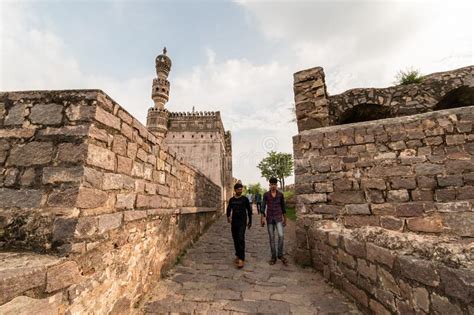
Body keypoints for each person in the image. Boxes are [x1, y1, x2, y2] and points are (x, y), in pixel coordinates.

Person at [260, 177, 288, 265]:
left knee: (281, 235)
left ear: (277, 185)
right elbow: (263, 207)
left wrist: (285, 219)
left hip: (279, 218)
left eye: (275, 184)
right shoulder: (266, 195)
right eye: (272, 184)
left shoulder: (280, 195)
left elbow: (283, 207)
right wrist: (262, 218)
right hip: (270, 219)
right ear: (269, 185)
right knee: (271, 238)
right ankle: (273, 257)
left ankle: (280, 254)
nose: (273, 186)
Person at [226, 183, 252, 268]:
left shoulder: (245, 199)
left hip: (242, 222)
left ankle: (241, 259)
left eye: (241, 189)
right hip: (234, 223)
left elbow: (249, 210)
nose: (240, 190)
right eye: (238, 189)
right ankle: (237, 254)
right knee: (235, 239)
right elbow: (229, 209)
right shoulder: (232, 200)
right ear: (235, 190)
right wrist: (228, 216)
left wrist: (250, 221)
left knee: (241, 238)